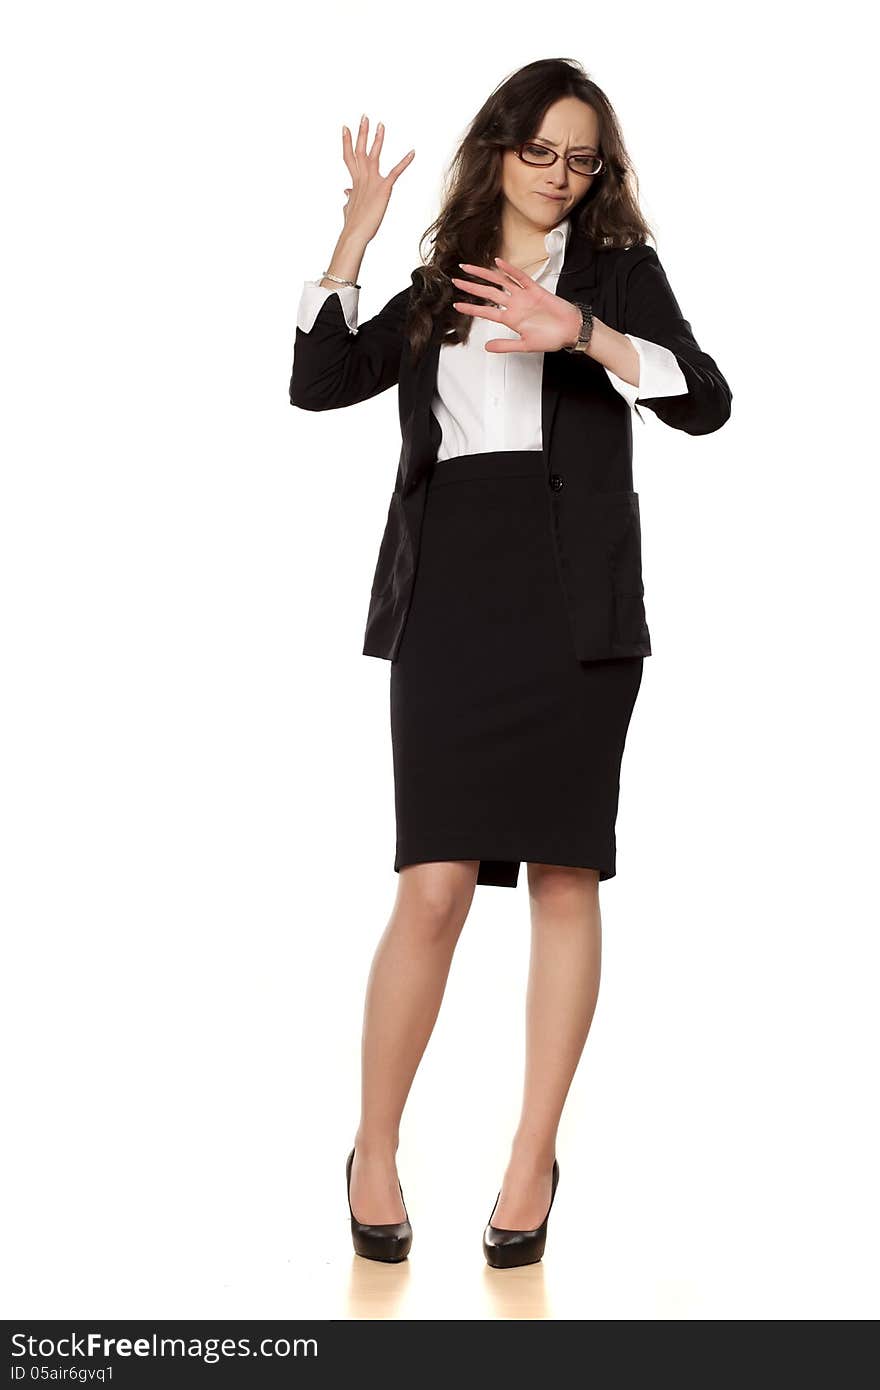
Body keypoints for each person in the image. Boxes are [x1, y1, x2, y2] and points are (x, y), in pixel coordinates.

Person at [289, 58, 732, 1268]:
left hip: (576, 605)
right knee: (430, 886)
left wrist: (580, 332)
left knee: (563, 876)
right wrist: (354, 234)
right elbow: (317, 383)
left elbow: (705, 400)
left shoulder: (615, 273)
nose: (562, 175)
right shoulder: (439, 284)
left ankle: (530, 1157)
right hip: (450, 600)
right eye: (542, 150)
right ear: (498, 147)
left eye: (583, 158)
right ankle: (373, 1147)